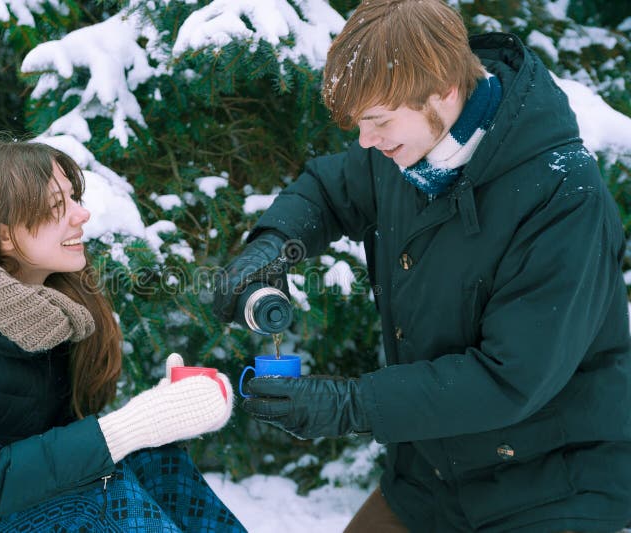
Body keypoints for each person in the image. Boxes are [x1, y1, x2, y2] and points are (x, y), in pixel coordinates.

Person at [213, 1, 631, 531]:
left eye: (378, 122)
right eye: (361, 123)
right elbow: (330, 190)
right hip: (430, 477)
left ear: (444, 93)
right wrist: (271, 245)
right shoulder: (408, 147)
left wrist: (350, 405)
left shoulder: (564, 197)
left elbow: (509, 378)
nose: (366, 140)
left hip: (550, 487)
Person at [0, 138, 243, 532]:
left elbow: (59, 452)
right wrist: (135, 423)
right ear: (4, 236)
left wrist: (163, 416)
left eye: (74, 198)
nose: (82, 214)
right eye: (58, 206)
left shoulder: (52, 311)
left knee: (155, 460)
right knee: (100, 499)